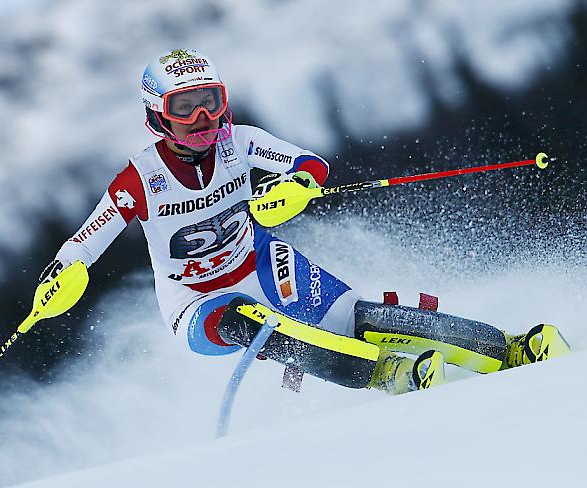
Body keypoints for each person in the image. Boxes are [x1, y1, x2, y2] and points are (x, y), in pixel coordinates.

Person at [40, 48, 570, 395]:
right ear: (158, 116)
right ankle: (383, 376)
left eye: (212, 103)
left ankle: (510, 349)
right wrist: (62, 277)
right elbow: (85, 243)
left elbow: (309, 164)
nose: (205, 120)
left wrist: (295, 187)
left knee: (362, 318)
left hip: (261, 261)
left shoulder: (239, 142)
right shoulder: (142, 178)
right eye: (187, 108)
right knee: (252, 322)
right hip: (194, 302)